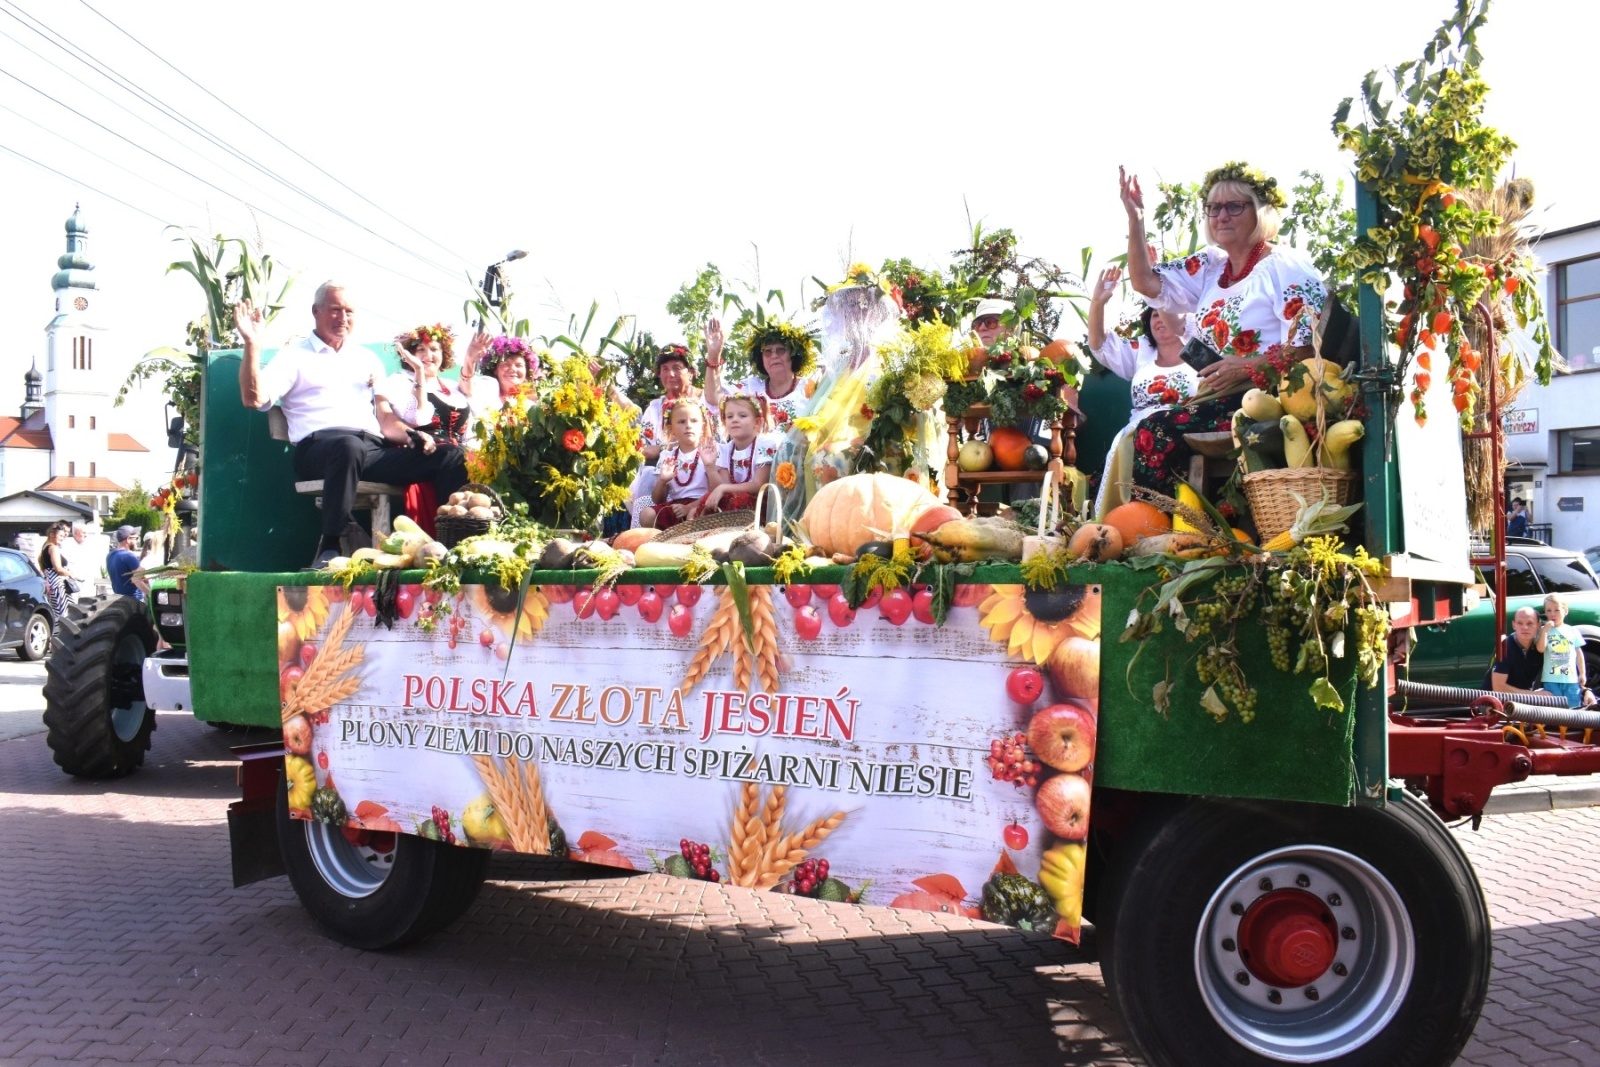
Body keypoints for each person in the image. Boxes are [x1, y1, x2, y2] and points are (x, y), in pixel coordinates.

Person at [1119, 162, 1329, 493]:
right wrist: (1136, 218)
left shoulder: (1285, 268)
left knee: (1156, 428)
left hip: (1264, 398)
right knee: (1147, 428)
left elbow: (1310, 347)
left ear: (1261, 211)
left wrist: (1244, 366)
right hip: (1216, 397)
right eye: (1213, 208)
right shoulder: (1210, 266)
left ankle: (1159, 529)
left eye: (1234, 206)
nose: (1221, 216)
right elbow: (1146, 283)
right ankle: (1178, 529)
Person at [235, 284, 468, 567]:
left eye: (349, 311)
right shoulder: (294, 356)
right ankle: (330, 546)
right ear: (316, 312)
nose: (342, 317)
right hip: (318, 450)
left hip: (370, 450)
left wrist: (410, 434)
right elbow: (253, 398)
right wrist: (252, 345)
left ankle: (455, 545)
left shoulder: (366, 359)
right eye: (335, 309)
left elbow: (384, 418)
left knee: (449, 455)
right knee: (348, 446)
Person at [1086, 266, 1198, 516]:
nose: (1159, 319)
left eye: (1165, 312)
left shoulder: (1201, 347)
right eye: (1154, 314)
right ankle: (1131, 522)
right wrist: (1098, 302)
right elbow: (1099, 344)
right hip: (1136, 436)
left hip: (1187, 433)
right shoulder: (1141, 351)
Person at [386, 324, 483, 534]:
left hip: (458, 456)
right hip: (423, 453)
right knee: (455, 456)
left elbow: (470, 430)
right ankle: (453, 531)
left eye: (434, 349)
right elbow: (417, 418)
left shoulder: (452, 387)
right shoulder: (400, 381)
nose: (427, 355)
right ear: (408, 354)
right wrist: (419, 373)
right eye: (420, 349)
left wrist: (469, 360)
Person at [626, 344, 721, 522]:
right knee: (647, 497)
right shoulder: (655, 407)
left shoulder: (705, 400)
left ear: (691, 372)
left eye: (677, 368)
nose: (670, 374)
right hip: (666, 477)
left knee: (696, 513)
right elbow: (643, 448)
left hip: (701, 491)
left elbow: (716, 437)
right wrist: (663, 475)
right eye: (665, 369)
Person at [705, 319, 818, 431]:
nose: (774, 356)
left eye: (780, 350)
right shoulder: (750, 387)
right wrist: (713, 356)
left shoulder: (809, 388)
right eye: (768, 351)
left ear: (793, 355)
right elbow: (716, 400)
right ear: (761, 359)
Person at [642, 399, 719, 529]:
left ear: (703, 426)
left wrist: (689, 507)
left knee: (693, 514)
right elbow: (658, 499)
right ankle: (663, 543)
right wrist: (662, 481)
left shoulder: (711, 451)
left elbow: (715, 489)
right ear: (671, 429)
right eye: (681, 422)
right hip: (676, 506)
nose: (688, 425)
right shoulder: (667, 455)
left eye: (694, 421)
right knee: (646, 514)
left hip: (702, 503)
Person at [705, 394, 778, 515]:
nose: (735, 420)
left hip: (757, 504)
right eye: (729, 416)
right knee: (703, 507)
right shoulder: (724, 449)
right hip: (732, 502)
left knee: (736, 503)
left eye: (742, 416)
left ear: (757, 422)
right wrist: (710, 467)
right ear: (724, 422)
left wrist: (723, 488)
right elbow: (723, 487)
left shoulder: (765, 445)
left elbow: (758, 485)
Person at [1537, 593, 1595, 708]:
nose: (1552, 614)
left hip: (1571, 679)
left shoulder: (1572, 631)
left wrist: (1582, 673)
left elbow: (1579, 654)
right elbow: (1540, 649)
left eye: (1556, 610)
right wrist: (1545, 631)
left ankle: (1573, 727)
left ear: (1565, 611)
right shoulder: (1544, 630)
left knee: (1573, 707)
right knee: (1554, 709)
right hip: (1551, 679)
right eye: (1548, 610)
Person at [1490, 606, 1548, 695]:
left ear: (1539, 625)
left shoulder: (1542, 645)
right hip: (1496, 700)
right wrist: (1534, 695)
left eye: (1529, 623)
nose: (1525, 627)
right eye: (1520, 623)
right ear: (1514, 625)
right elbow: (1498, 687)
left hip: (1524, 700)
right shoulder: (1505, 647)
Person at [38, 522, 77, 619]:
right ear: (52, 535)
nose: (62, 538)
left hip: (51, 582)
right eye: (60, 535)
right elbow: (58, 568)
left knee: (56, 612)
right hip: (58, 584)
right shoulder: (53, 548)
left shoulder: (45, 546)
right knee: (65, 614)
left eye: (64, 536)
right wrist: (71, 574)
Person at [106, 525, 148, 602]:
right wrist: (150, 593)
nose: (138, 541)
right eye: (136, 538)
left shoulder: (110, 555)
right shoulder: (129, 556)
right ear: (128, 539)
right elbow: (138, 580)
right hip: (134, 600)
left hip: (118, 599)